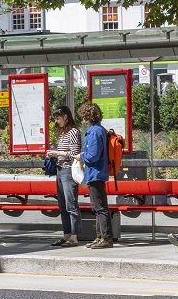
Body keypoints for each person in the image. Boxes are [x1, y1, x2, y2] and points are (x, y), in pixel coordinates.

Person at [76, 102, 113, 249]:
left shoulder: (94, 132)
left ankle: (106, 238)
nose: (82, 119)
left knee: (100, 208)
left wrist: (81, 156)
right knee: (97, 207)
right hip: (96, 173)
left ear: (87, 116)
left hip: (95, 173)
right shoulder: (99, 130)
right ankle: (100, 237)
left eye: (83, 116)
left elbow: (93, 155)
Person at [45, 106, 82, 247]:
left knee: (71, 204)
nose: (57, 121)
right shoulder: (62, 133)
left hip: (68, 171)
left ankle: (74, 236)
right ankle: (66, 234)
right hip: (60, 171)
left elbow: (75, 154)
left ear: (66, 116)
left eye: (58, 118)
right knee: (62, 205)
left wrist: (57, 153)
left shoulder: (73, 132)